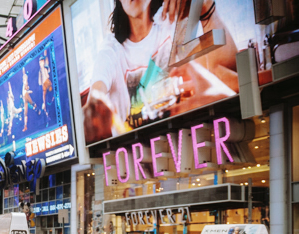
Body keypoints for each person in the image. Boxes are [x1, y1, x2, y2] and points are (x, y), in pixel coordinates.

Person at [82, 0, 238, 142]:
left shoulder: (170, 23)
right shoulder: (111, 49)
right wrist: (95, 105)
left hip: (184, 140)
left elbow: (229, 68)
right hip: (133, 158)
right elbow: (97, 92)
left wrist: (205, 6)